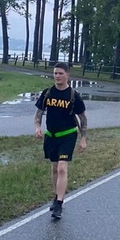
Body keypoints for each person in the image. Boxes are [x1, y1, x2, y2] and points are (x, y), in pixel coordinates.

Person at [34, 62, 88, 220]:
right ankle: (56, 195)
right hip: (51, 136)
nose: (57, 76)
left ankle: (59, 203)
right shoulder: (48, 93)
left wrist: (83, 138)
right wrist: (38, 127)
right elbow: (38, 115)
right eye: (55, 73)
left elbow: (83, 118)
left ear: (67, 75)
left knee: (63, 168)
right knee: (55, 169)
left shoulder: (73, 96)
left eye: (60, 73)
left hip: (68, 135)